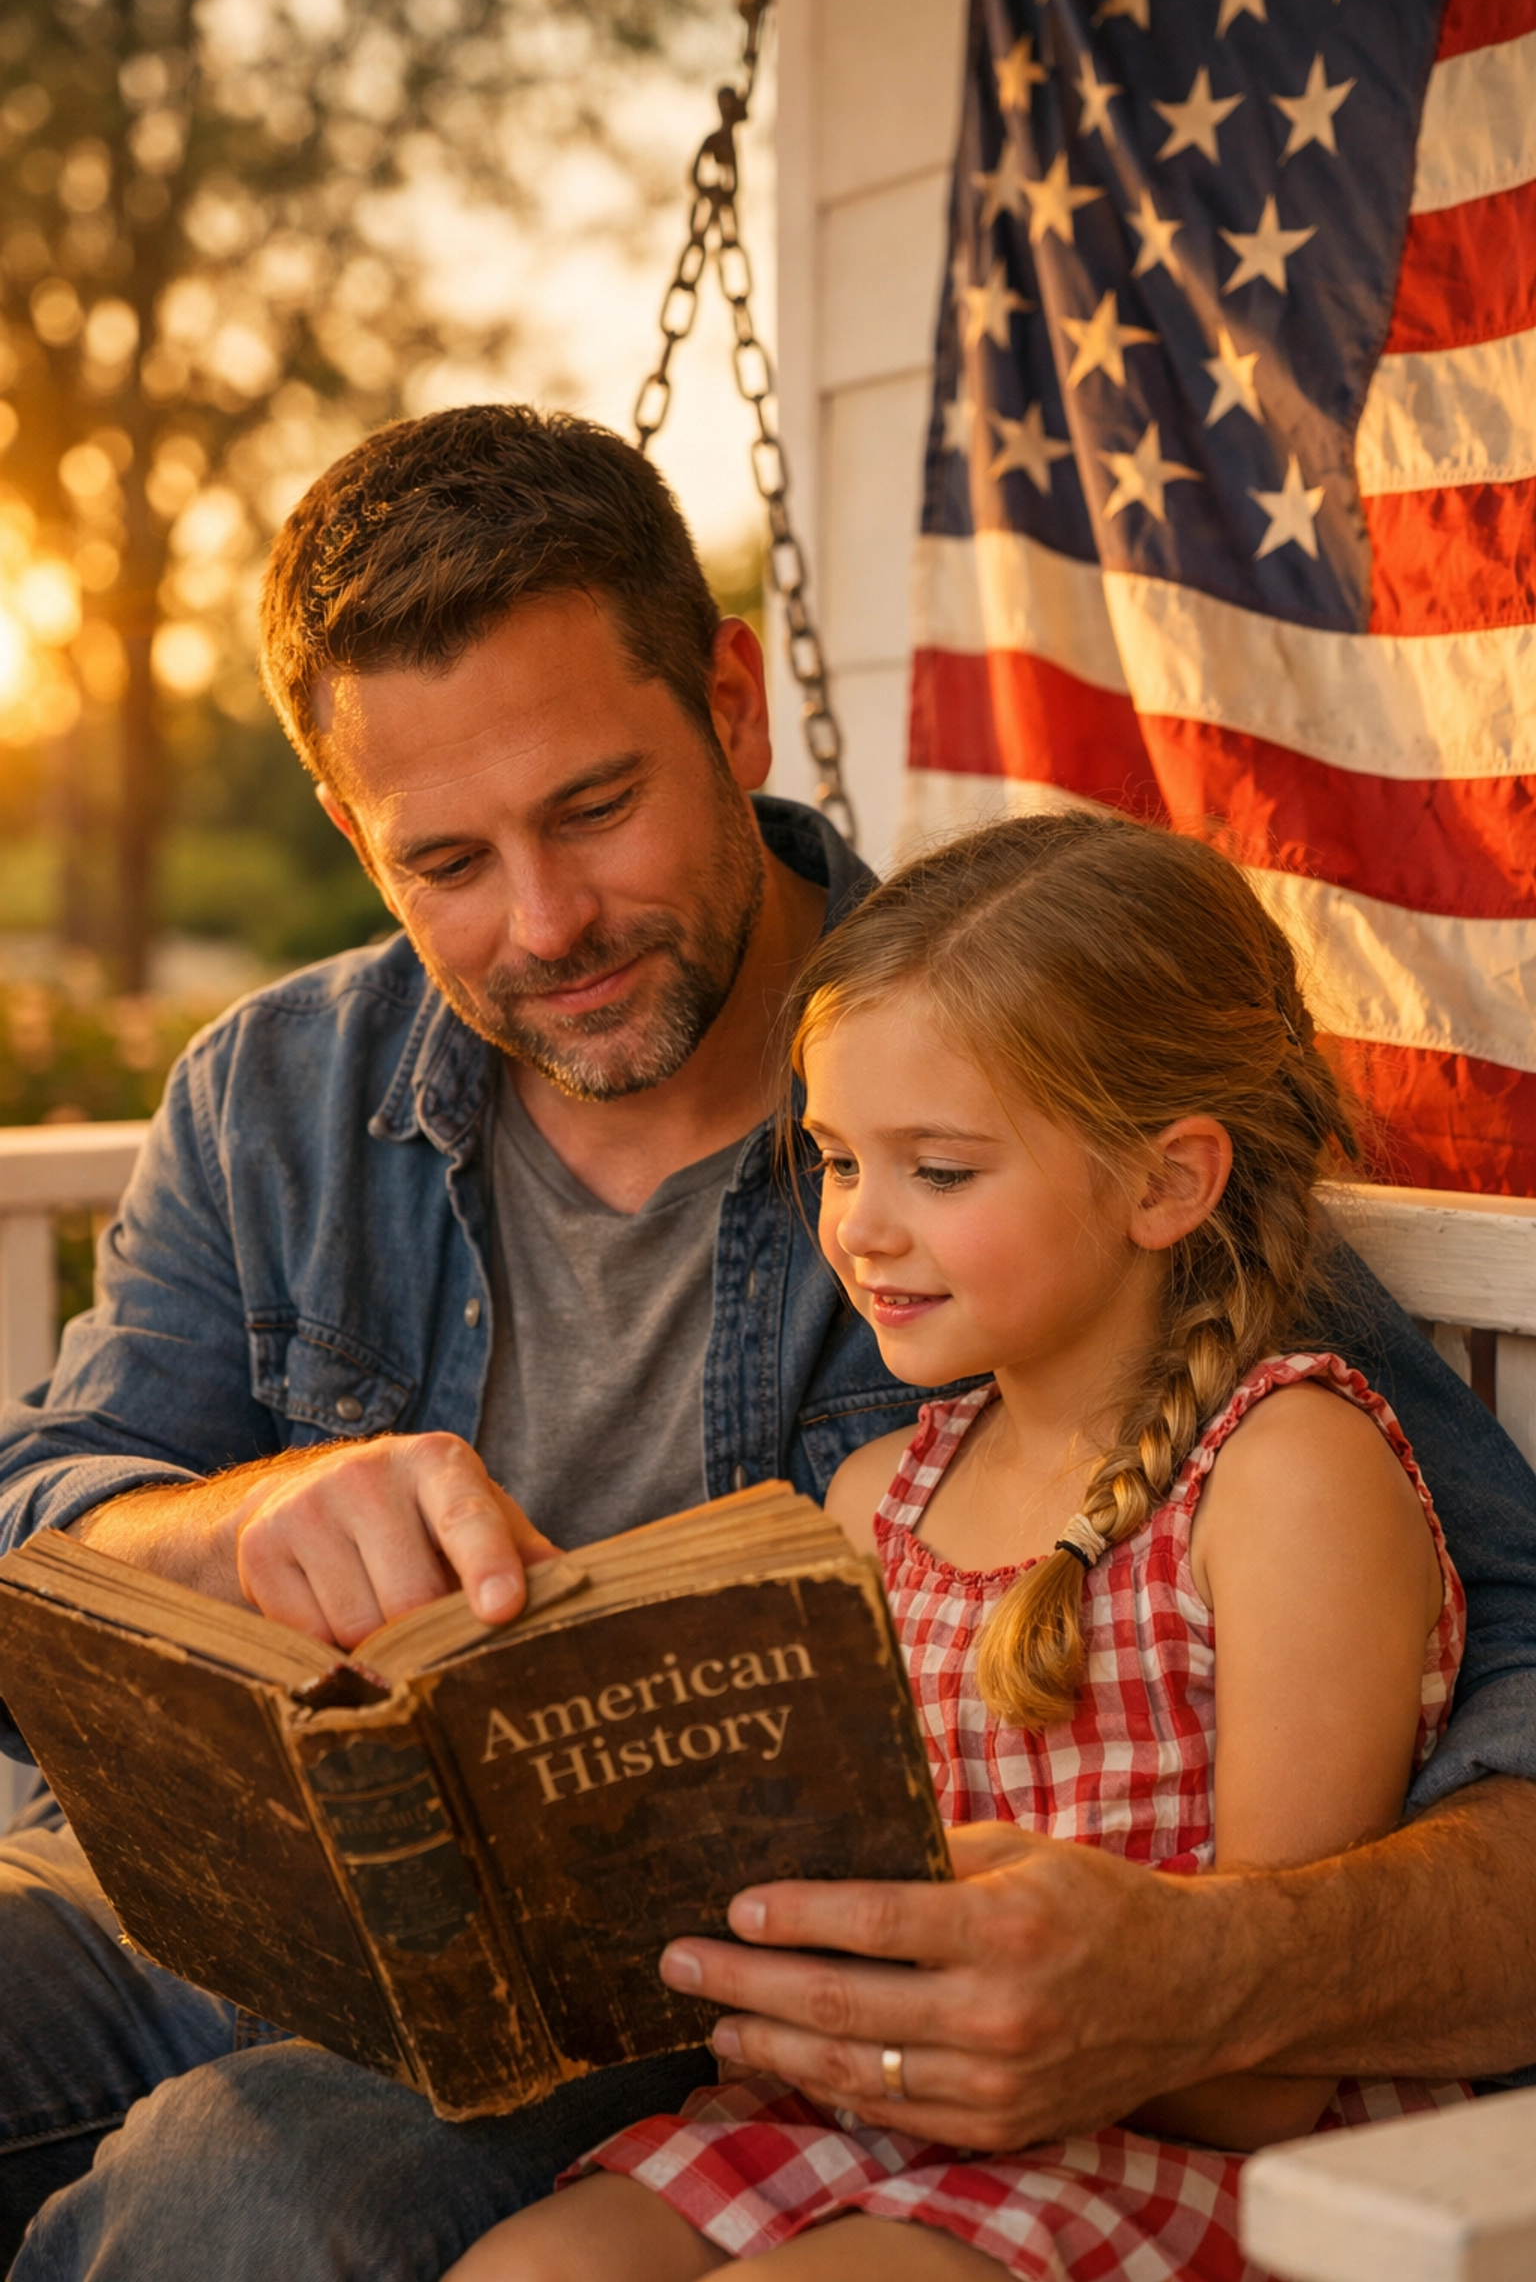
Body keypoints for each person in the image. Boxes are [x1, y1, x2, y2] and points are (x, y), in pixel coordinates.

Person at [0, 407, 1530, 2282]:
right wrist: (234, 1527)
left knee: (244, 2189)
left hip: (667, 2026)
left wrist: (1212, 1976)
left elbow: (1509, 1664)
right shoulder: (273, 1093)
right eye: (448, 861)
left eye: (593, 808)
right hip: (180, 1912)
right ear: (348, 825)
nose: (546, 925)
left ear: (731, 704)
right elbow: (42, 1528)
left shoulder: (1014, 1067)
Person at [448, 814, 1473, 2282]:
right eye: (840, 1160)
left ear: (1166, 1184)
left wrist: (947, 1983)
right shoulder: (880, 1501)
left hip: (1163, 2148)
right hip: (870, 2117)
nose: (860, 1228)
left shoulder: (1286, 1477)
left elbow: (1265, 2074)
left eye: (939, 1169)